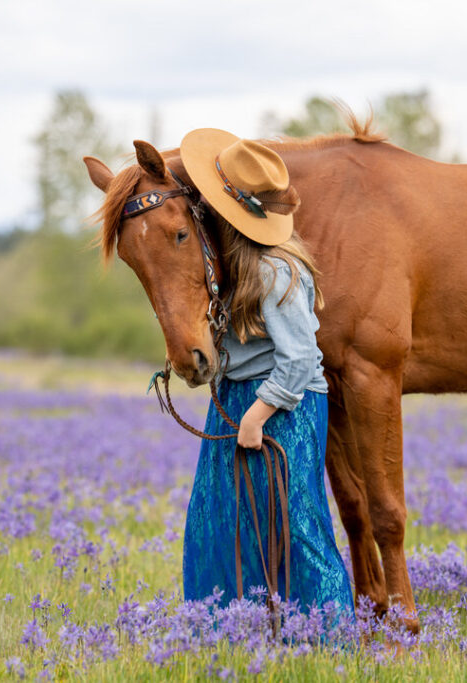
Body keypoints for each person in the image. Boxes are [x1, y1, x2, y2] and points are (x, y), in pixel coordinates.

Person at [178, 128, 354, 615]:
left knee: (295, 521)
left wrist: (256, 416)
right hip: (239, 399)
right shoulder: (228, 269)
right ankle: (231, 628)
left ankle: (324, 635)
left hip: (284, 406)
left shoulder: (277, 270)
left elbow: (299, 359)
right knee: (218, 517)